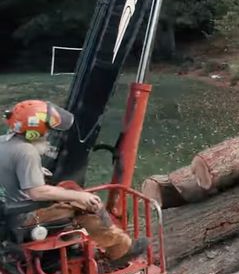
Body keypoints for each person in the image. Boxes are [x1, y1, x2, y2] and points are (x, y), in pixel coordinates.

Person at [1, 100, 146, 264]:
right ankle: (121, 250)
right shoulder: (26, 152)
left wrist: (36, 171)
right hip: (25, 218)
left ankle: (95, 247)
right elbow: (37, 192)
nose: (48, 135)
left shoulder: (4, 142)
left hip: (8, 217)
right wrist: (78, 197)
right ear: (34, 132)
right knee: (87, 206)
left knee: (72, 194)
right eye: (47, 131)